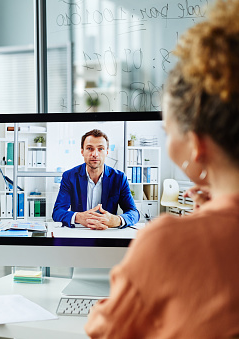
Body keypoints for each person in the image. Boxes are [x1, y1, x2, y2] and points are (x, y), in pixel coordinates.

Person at [85, 0, 239, 337]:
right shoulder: (71, 177)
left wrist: (118, 221)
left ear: (197, 145)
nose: (95, 155)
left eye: (168, 132)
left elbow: (103, 331)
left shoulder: (166, 243)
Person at [52, 129, 140, 230]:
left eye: (100, 149)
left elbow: (134, 212)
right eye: (89, 148)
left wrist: (115, 220)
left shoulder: (119, 178)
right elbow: (58, 212)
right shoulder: (69, 176)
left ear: (107, 152)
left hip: (107, 233)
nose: (95, 154)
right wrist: (79, 217)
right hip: (80, 232)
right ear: (82, 151)